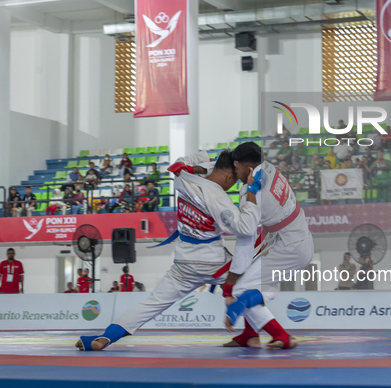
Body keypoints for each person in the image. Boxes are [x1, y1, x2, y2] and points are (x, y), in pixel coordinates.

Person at [75, 150, 261, 351]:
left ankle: (106, 337)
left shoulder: (183, 177)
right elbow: (247, 228)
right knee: (251, 285)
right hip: (213, 262)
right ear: (228, 176)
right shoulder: (217, 197)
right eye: (233, 181)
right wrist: (252, 189)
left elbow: (188, 159)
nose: (231, 186)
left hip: (183, 263)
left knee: (151, 305)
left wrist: (203, 163)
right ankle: (256, 336)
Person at [223, 141, 314, 350]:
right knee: (259, 286)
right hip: (299, 238)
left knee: (240, 290)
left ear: (247, 168)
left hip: (288, 246)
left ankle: (282, 335)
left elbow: (245, 239)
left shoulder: (249, 195)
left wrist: (229, 288)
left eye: (236, 168)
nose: (235, 173)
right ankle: (249, 334)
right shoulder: (268, 167)